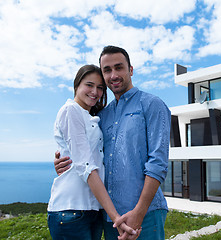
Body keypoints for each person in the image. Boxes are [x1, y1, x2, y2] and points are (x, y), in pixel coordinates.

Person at [55, 46, 171, 240]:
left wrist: (139, 213)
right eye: (107, 70)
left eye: (119, 67)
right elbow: (85, 152)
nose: (113, 74)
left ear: (131, 70)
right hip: (110, 218)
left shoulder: (152, 104)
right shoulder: (101, 116)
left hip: (146, 214)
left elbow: (158, 163)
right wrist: (62, 160)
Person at [48, 64, 139, 240]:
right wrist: (116, 219)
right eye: (89, 85)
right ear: (77, 85)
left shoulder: (91, 117)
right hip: (71, 210)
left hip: (92, 210)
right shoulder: (70, 110)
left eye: (100, 88)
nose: (95, 92)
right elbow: (87, 166)